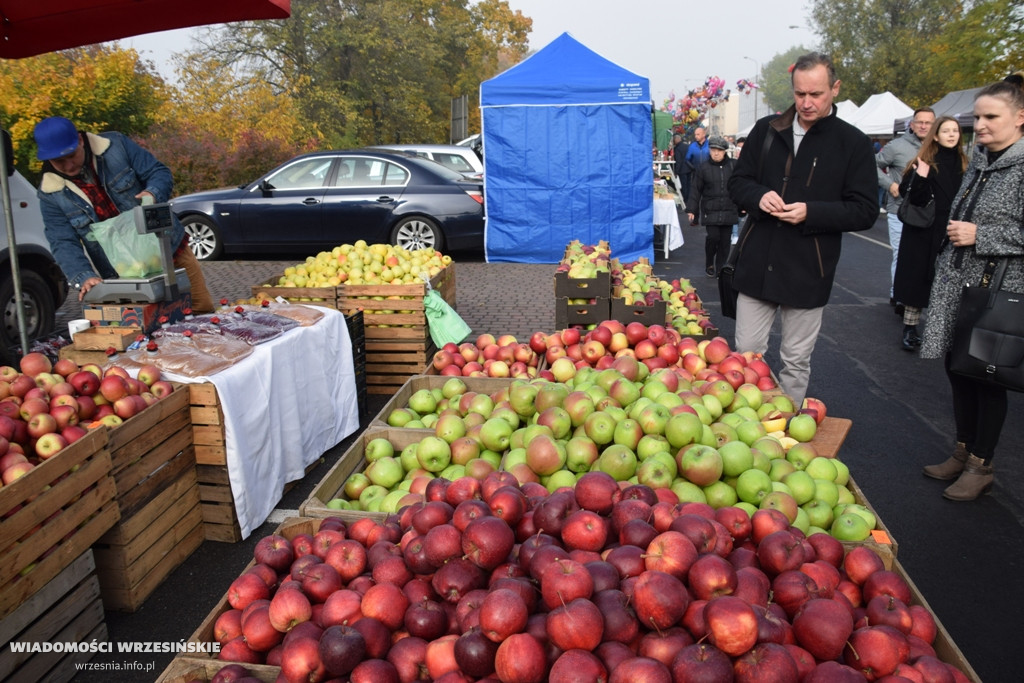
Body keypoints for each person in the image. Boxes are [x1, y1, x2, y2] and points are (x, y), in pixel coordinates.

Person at [726, 52, 878, 406]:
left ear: (835, 89)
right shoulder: (767, 129)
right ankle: (744, 424)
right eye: (799, 94)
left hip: (810, 268)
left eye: (816, 94)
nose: (807, 103)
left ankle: (786, 434)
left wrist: (812, 212)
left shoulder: (852, 143)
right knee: (746, 355)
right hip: (757, 262)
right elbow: (738, 183)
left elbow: (865, 210)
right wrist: (759, 195)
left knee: (795, 362)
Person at [919, 74, 1024, 501]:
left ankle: (982, 464)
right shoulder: (980, 159)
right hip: (958, 284)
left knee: (987, 377)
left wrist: (982, 235)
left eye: (990, 117)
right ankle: (962, 451)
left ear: (1020, 118)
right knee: (957, 367)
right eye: (977, 116)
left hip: (997, 291)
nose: (979, 125)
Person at [33, 117, 213, 313]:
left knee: (200, 310)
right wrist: (83, 275)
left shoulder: (116, 146)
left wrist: (153, 192)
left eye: (72, 155)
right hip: (124, 273)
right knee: (151, 328)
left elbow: (158, 172)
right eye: (59, 161)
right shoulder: (50, 194)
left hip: (169, 249)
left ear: (81, 140)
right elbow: (62, 241)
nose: (68, 166)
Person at [893, 116, 967, 351]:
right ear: (935, 135)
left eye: (955, 130)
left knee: (946, 281)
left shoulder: (968, 163)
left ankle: (941, 331)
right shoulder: (924, 160)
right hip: (924, 230)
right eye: (946, 131)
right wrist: (921, 176)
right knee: (917, 279)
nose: (952, 135)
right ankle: (910, 328)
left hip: (953, 229)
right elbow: (912, 196)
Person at [877, 107, 936, 312]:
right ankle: (899, 296)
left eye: (928, 123)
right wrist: (889, 184)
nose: (923, 126)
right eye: (919, 122)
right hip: (900, 210)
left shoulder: (939, 148)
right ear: (912, 124)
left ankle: (916, 296)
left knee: (924, 258)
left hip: (930, 214)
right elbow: (870, 165)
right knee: (902, 254)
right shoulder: (896, 146)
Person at [687, 136, 740, 278]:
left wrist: (743, 205)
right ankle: (710, 262)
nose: (716, 153)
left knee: (725, 242)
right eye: (713, 150)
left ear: (725, 152)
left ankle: (720, 268)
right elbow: (695, 189)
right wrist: (692, 209)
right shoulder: (704, 168)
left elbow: (740, 187)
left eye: (719, 150)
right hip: (710, 209)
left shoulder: (734, 166)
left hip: (729, 208)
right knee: (713, 237)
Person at [672, 133, 691, 200]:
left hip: (682, 170)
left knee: (684, 185)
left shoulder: (677, 149)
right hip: (689, 168)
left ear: (676, 140)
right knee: (689, 185)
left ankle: (685, 199)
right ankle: (689, 198)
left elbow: (678, 161)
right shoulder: (687, 146)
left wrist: (676, 171)